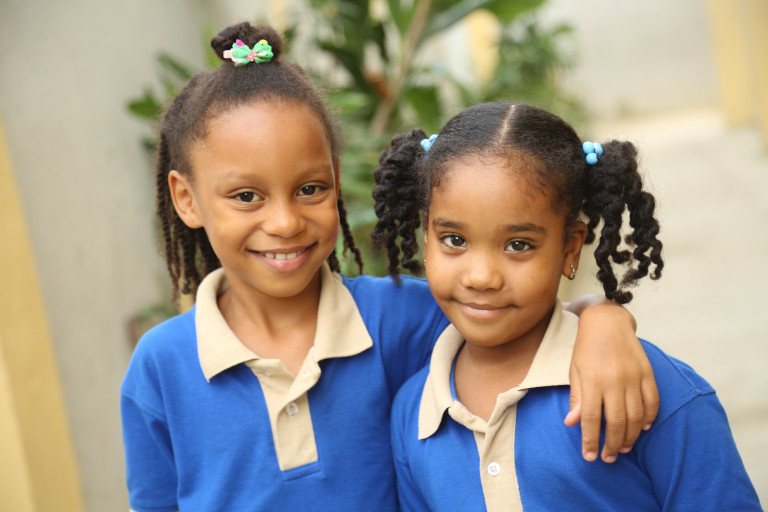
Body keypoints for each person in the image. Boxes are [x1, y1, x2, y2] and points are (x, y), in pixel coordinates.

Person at [120, 22, 659, 511]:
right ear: (186, 199)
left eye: (310, 189)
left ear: (336, 181)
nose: (284, 222)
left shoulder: (403, 318)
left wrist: (604, 320)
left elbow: (525, 321)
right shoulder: (160, 367)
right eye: (246, 196)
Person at [376, 102, 762, 511]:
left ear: (570, 248)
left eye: (518, 245)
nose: (481, 276)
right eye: (454, 240)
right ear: (426, 238)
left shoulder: (647, 387)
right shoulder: (413, 415)